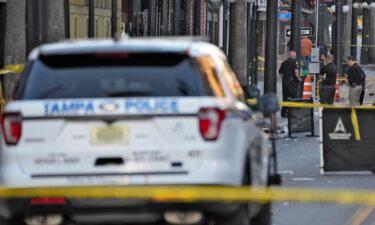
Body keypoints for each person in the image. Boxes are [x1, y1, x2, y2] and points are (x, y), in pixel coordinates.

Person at [278, 51, 302, 118]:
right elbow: (296, 71)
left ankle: (283, 113)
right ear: (293, 56)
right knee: (292, 97)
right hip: (292, 82)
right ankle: (290, 113)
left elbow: (280, 72)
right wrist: (299, 78)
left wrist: (284, 78)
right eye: (295, 55)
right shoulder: (295, 62)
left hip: (285, 82)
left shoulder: (284, 62)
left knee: (285, 97)